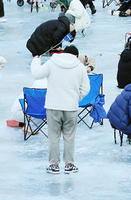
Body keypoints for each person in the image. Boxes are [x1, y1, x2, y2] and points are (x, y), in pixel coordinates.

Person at [31, 45, 90, 174]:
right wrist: (76, 97)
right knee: (69, 136)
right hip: (71, 107)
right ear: (76, 55)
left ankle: (54, 166)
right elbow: (86, 88)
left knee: (54, 137)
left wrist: (36, 60)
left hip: (53, 106)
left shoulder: (52, 62)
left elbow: (36, 74)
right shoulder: (79, 67)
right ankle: (69, 165)